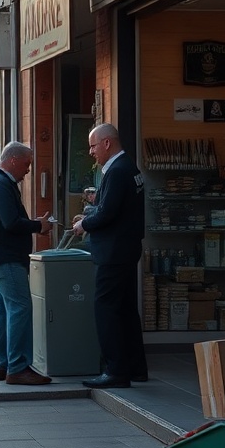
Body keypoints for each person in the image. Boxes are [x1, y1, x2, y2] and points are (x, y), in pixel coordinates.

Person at [72, 123, 148, 389]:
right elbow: (113, 208)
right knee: (126, 309)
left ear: (107, 143)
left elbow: (109, 213)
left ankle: (116, 370)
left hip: (113, 252)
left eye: (93, 145)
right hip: (125, 249)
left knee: (106, 309)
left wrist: (85, 224)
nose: (91, 151)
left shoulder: (116, 171)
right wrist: (92, 213)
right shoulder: (129, 167)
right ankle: (136, 367)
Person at [0, 142, 53, 385]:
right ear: (12, 160)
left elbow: (7, 221)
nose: (28, 170)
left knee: (2, 309)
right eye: (26, 164)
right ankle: (18, 366)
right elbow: (10, 222)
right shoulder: (0, 184)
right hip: (6, 258)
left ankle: (2, 364)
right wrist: (37, 226)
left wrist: (32, 223)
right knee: (20, 307)